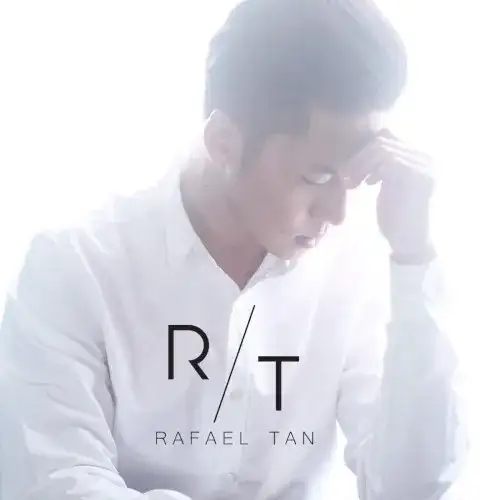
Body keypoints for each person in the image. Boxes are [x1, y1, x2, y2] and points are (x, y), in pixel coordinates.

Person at [0, 0, 467, 499]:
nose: (337, 213)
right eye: (317, 177)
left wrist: (414, 257)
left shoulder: (359, 272)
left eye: (354, 175)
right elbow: (57, 481)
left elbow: (408, 487)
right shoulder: (74, 268)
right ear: (224, 142)